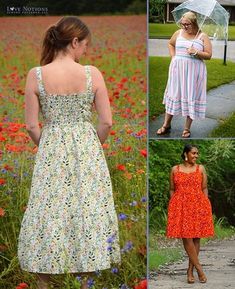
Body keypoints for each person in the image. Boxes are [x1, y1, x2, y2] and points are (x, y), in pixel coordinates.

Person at [17, 16, 121, 289]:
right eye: (85, 45)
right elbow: (107, 122)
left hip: (50, 147)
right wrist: (91, 146)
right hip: (87, 149)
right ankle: (82, 279)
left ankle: (43, 283)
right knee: (84, 210)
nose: (86, 51)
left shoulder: (35, 74)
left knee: (48, 212)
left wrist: (48, 145)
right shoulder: (92, 74)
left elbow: (30, 125)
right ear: (75, 42)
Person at [157, 11, 212, 138]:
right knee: (173, 94)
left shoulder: (202, 36)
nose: (184, 27)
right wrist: (173, 57)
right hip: (177, 70)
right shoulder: (178, 33)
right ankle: (166, 124)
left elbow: (209, 55)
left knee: (190, 95)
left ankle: (187, 128)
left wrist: (196, 52)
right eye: (182, 24)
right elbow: (170, 44)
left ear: (194, 23)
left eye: (187, 24)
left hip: (194, 72)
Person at [166, 144, 214, 284]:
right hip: (180, 206)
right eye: (193, 153)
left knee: (196, 238)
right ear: (186, 154)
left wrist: (205, 205)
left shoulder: (201, 169)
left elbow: (204, 188)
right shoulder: (175, 169)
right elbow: (171, 189)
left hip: (198, 205)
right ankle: (199, 269)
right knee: (187, 238)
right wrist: (174, 204)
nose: (196, 156)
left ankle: (190, 271)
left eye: (197, 153)